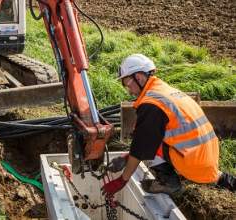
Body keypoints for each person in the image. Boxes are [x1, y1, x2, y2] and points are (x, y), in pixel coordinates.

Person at [101, 54, 236, 197]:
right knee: (148, 136)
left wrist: (122, 180)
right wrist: (126, 158)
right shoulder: (164, 91)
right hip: (205, 157)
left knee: (144, 139)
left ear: (139, 77)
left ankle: (169, 182)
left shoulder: (151, 105)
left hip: (193, 161)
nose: (128, 90)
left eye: (127, 84)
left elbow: (141, 147)